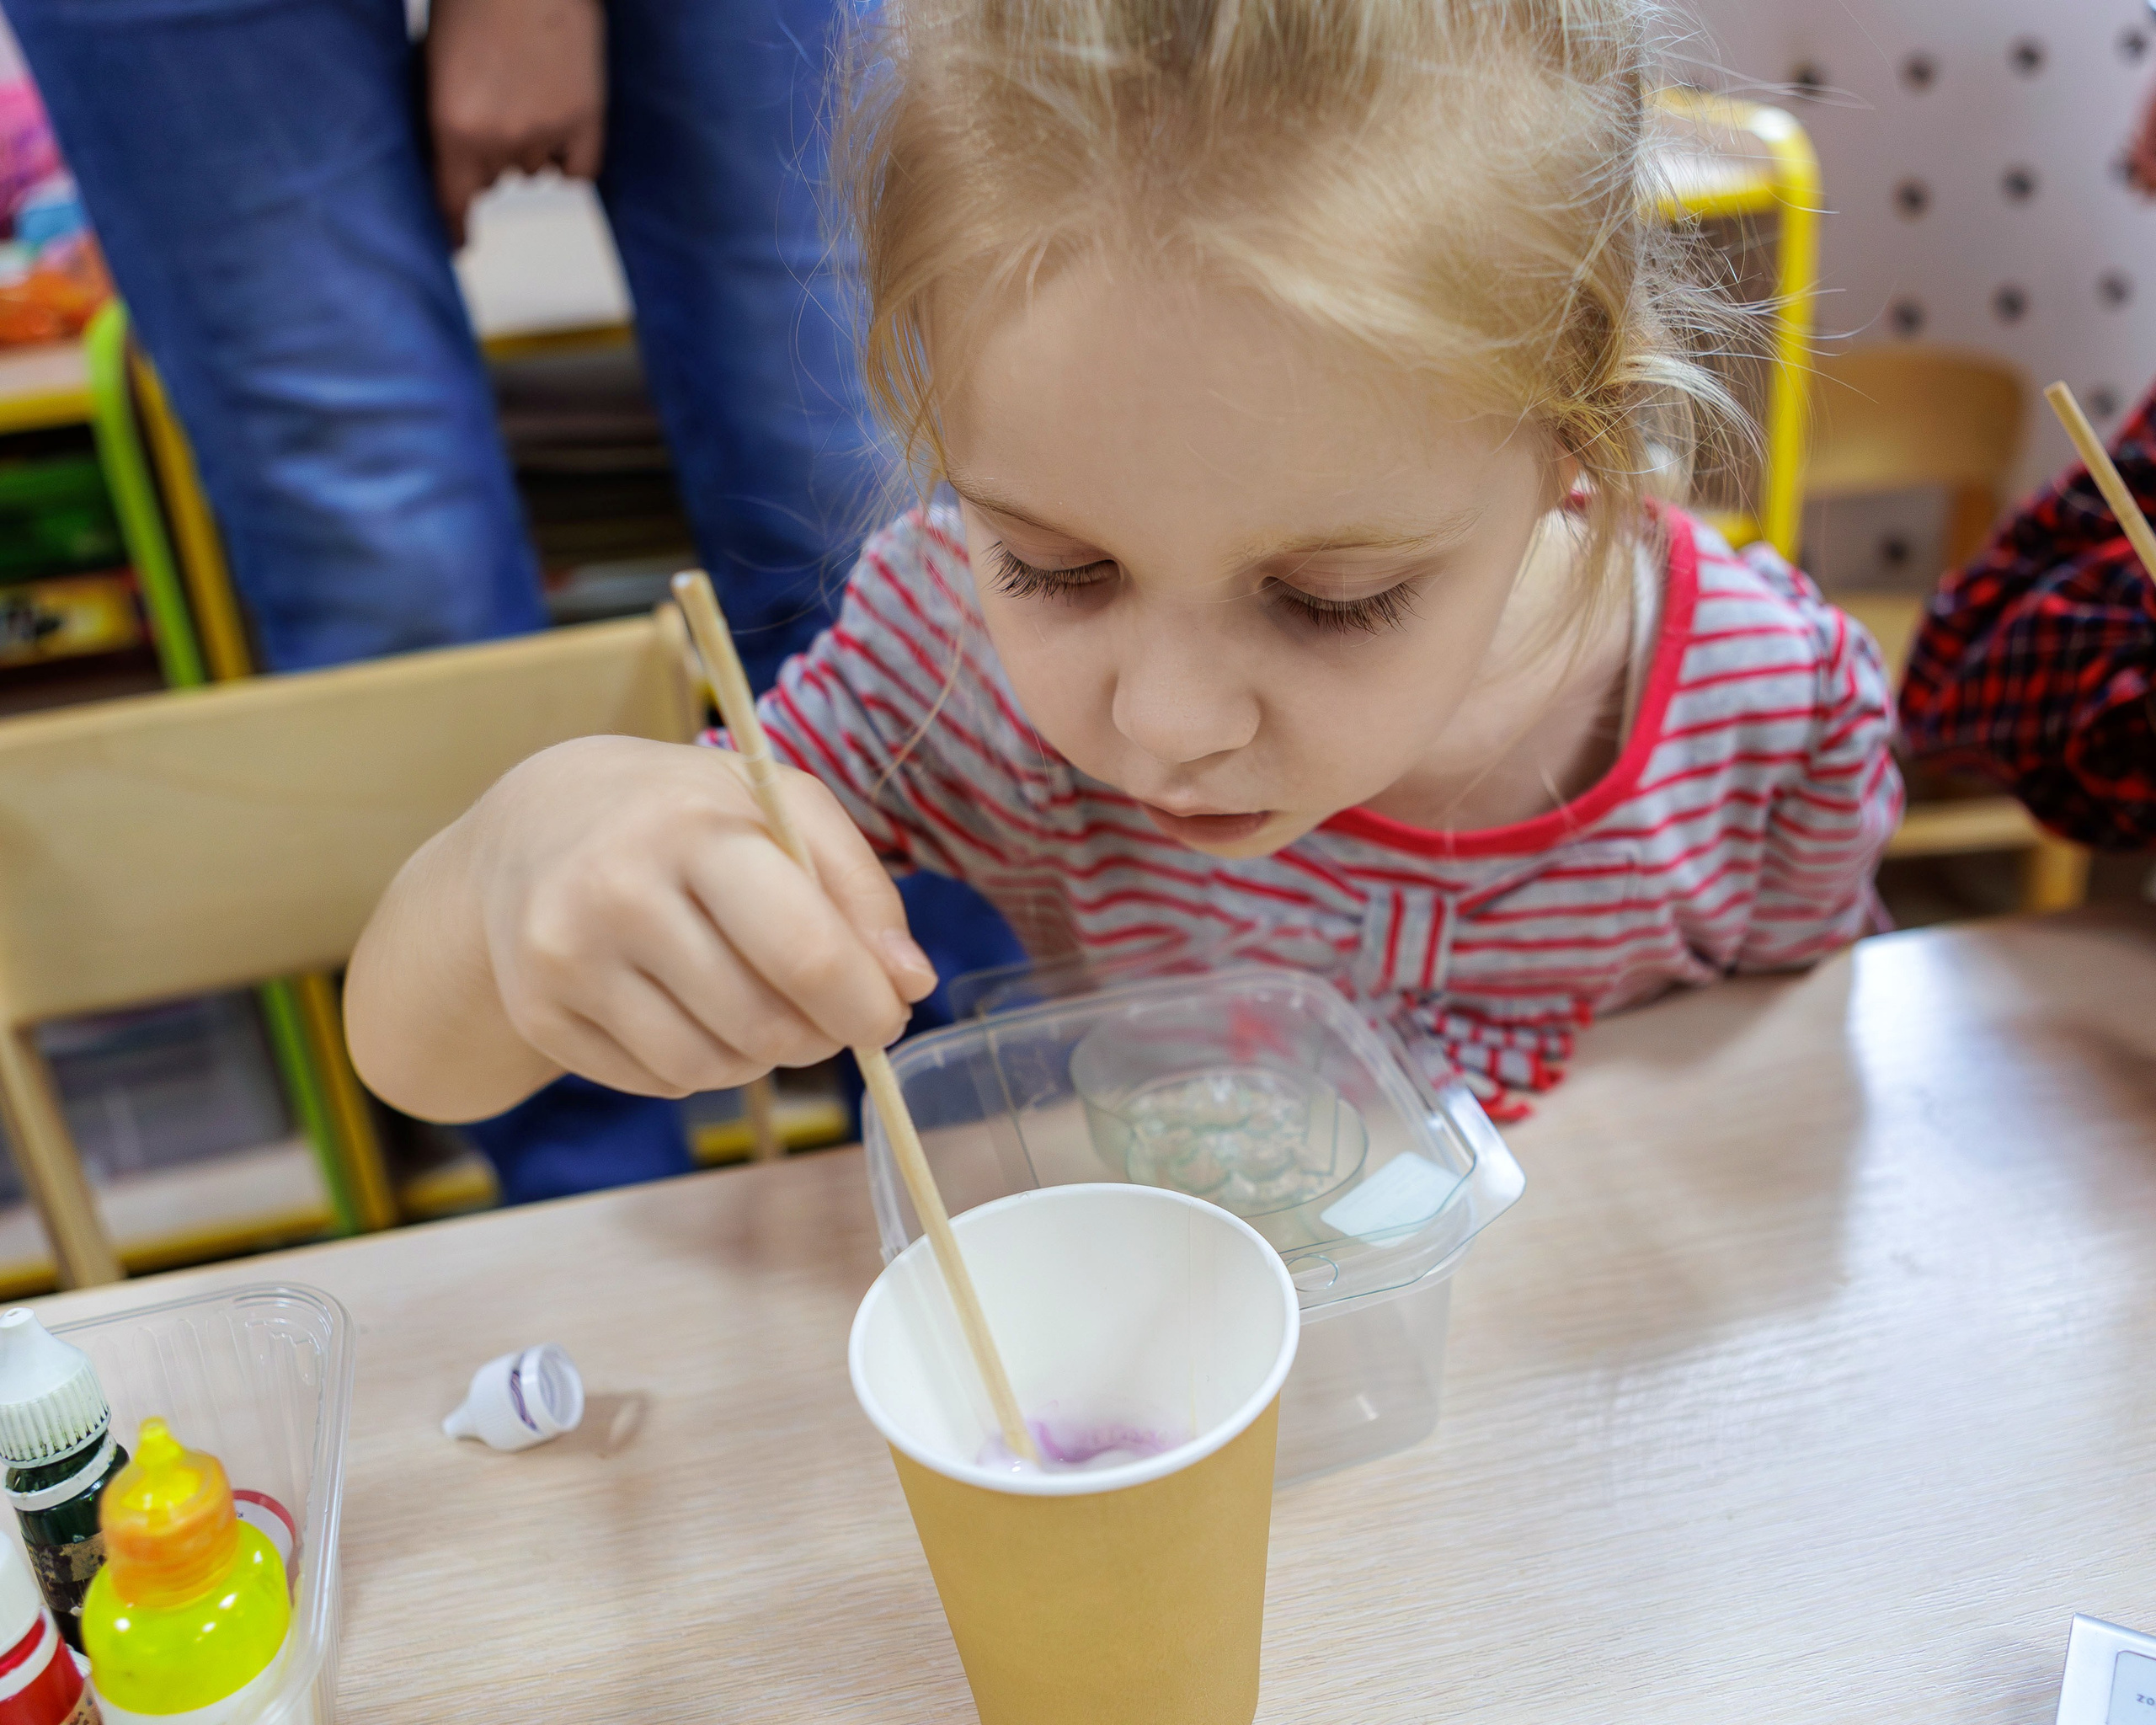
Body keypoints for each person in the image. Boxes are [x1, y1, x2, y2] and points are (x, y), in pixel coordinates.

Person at [344, 0, 1903, 1130]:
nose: (1165, 722)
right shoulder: (935, 663)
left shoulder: (1777, 716)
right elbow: (416, 1063)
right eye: (1056, 565)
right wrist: (517, 867)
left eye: (1333, 598)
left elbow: (1794, 1111)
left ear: (1581, 433)